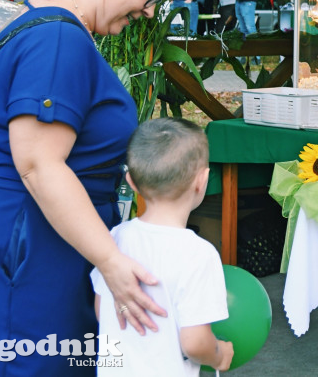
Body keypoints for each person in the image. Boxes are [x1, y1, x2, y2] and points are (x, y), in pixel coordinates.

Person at [0, 0, 185, 375]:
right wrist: (110, 261)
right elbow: (39, 164)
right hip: (20, 238)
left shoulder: (40, 20)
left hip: (14, 233)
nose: (148, 11)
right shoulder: (58, 39)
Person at [91, 118, 233, 375]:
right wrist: (219, 354)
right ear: (202, 181)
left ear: (131, 182)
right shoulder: (199, 254)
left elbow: (102, 309)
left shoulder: (114, 239)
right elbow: (195, 343)